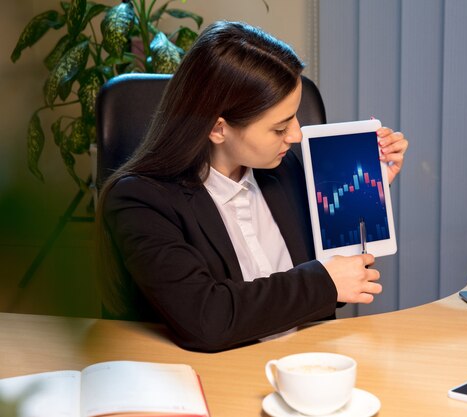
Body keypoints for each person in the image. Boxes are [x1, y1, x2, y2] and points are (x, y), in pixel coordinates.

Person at [96, 21, 408, 352]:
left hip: (305, 365)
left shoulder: (280, 169)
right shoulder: (139, 203)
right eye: (279, 127)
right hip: (217, 378)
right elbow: (208, 319)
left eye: (295, 117)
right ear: (218, 129)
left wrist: (364, 196)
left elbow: (335, 277)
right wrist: (324, 284)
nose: (297, 135)